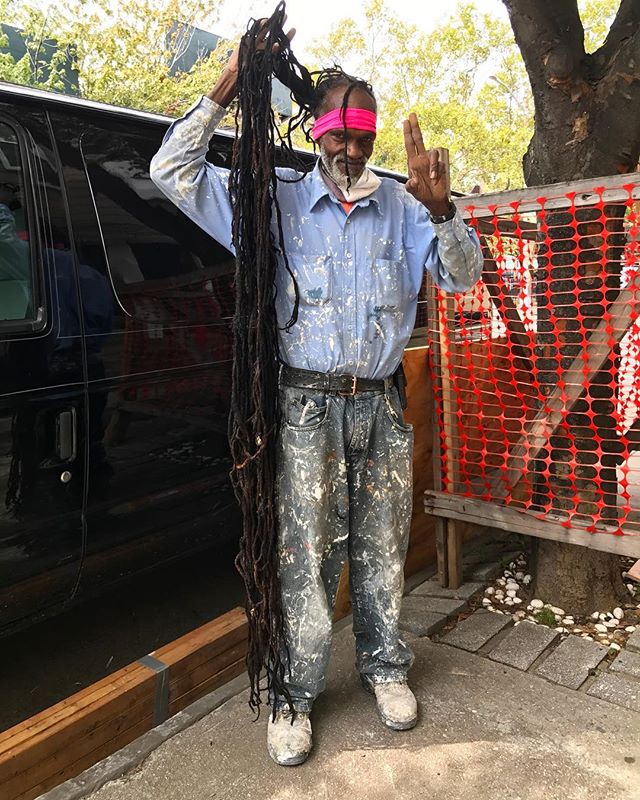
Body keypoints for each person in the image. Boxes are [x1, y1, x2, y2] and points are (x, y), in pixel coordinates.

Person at [150, 22, 483, 767]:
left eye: (364, 130)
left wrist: (443, 211)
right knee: (305, 552)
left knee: (380, 544)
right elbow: (172, 170)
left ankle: (385, 666)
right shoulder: (275, 201)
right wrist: (231, 78)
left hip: (384, 405)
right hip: (305, 407)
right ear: (316, 127)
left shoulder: (406, 204)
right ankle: (295, 694)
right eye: (339, 128)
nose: (352, 145)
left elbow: (463, 277)